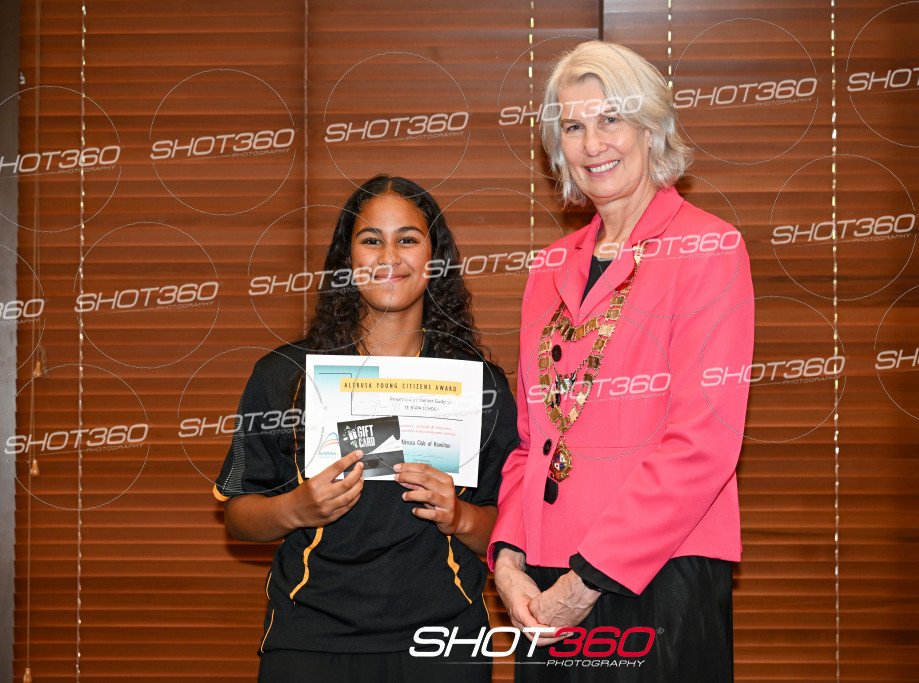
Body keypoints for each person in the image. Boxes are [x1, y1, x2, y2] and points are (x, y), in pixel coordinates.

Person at [489, 41, 755, 681]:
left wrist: (586, 582)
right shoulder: (549, 267)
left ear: (650, 127)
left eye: (610, 118)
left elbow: (702, 445)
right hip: (545, 582)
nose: (592, 144)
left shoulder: (709, 248)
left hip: (658, 576)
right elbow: (532, 438)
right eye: (573, 127)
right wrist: (508, 557)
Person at [214, 175, 518, 682]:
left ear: (434, 259)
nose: (389, 256)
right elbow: (238, 516)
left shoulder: (479, 387)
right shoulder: (284, 376)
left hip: (443, 643)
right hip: (310, 641)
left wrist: (459, 516)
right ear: (347, 257)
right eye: (372, 239)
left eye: (408, 239)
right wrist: (296, 508)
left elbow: (507, 531)